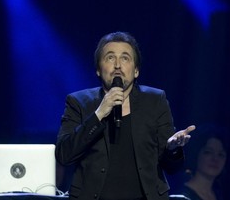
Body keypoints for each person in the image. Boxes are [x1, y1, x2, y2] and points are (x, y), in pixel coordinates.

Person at [55, 31, 196, 200]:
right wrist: (99, 113)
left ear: (136, 71)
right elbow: (64, 154)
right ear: (99, 70)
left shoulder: (155, 100)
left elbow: (172, 167)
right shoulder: (78, 102)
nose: (117, 65)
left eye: (125, 58)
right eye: (110, 58)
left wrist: (172, 149)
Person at [179, 124, 228, 200]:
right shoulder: (181, 196)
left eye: (220, 154)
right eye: (208, 152)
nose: (215, 159)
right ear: (197, 154)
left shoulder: (221, 194)